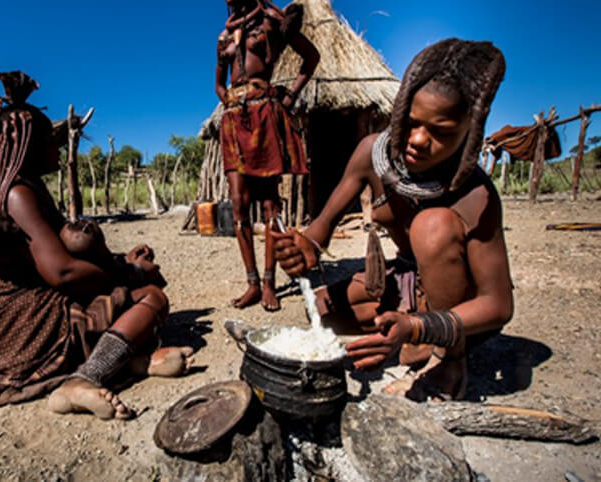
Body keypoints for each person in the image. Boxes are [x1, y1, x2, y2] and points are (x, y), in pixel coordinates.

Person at [0, 71, 192, 420]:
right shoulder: (19, 195)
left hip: (9, 329)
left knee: (126, 298)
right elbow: (63, 273)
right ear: (27, 146)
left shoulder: (19, 189)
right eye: (48, 139)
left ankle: (130, 362)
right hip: (29, 331)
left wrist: (118, 261)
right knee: (152, 298)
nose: (56, 146)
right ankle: (85, 378)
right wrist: (128, 272)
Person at [273, 39, 513, 401]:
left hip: (458, 305)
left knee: (431, 226)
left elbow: (498, 305)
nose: (418, 140)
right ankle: (413, 338)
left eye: (442, 132)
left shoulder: (476, 195)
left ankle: (448, 361)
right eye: (412, 123)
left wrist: (421, 325)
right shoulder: (373, 152)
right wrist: (303, 247)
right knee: (324, 314)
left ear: (470, 132)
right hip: (405, 285)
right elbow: (320, 227)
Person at [216, 0, 319, 311]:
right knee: (238, 204)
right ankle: (252, 284)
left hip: (264, 115)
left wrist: (289, 96)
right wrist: (231, 102)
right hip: (235, 119)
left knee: (270, 204)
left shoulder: (273, 22)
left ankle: (269, 284)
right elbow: (218, 83)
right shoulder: (224, 36)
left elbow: (310, 57)